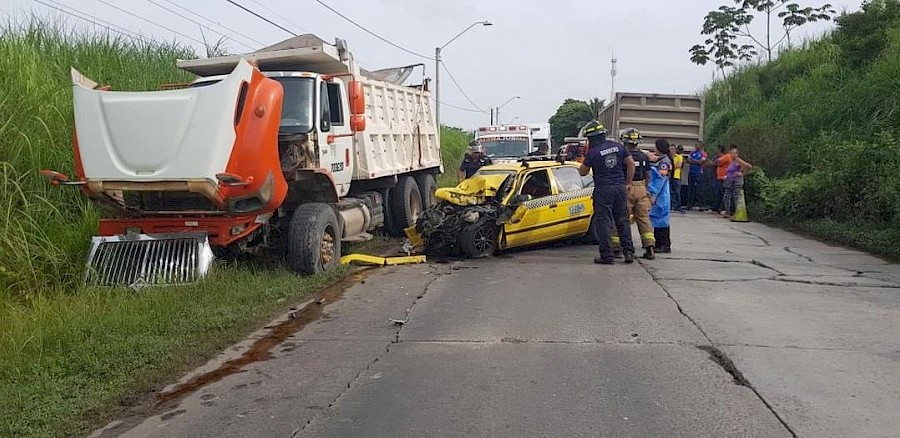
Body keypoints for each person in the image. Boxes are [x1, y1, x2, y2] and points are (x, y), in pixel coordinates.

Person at [578, 121, 636, 264]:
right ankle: (628, 252)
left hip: (603, 189)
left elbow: (583, 172)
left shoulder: (593, 152)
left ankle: (607, 255)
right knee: (622, 219)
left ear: (591, 138)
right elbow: (631, 164)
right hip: (620, 188)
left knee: (603, 222)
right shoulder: (618, 146)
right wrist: (628, 182)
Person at [611, 128, 656, 260]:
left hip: (626, 188)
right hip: (641, 188)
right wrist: (645, 188)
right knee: (644, 219)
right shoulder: (644, 156)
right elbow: (648, 175)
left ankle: (616, 248)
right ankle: (650, 247)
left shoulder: (622, 156)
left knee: (620, 218)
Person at [648, 139, 673, 253]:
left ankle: (664, 244)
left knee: (660, 219)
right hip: (660, 193)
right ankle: (660, 243)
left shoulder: (664, 163)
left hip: (660, 194)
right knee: (658, 219)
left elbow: (660, 180)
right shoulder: (662, 160)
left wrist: (653, 194)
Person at [720, 145, 753, 218]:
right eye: (731, 153)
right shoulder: (732, 161)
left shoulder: (738, 160)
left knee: (736, 197)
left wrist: (742, 174)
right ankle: (727, 212)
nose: (732, 155)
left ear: (737, 154)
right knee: (727, 196)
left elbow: (748, 166)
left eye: (734, 153)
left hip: (736, 180)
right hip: (729, 180)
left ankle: (736, 213)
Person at [711, 145, 732, 212]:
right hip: (719, 177)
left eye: (717, 149)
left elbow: (717, 163)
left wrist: (714, 162)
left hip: (723, 177)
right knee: (718, 193)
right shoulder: (720, 157)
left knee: (722, 193)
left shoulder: (727, 156)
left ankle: (722, 208)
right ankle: (716, 208)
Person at [686, 144, 708, 209]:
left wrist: (693, 161)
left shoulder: (703, 153)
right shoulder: (692, 153)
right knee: (690, 188)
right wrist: (696, 161)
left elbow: (701, 162)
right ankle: (689, 204)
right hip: (691, 172)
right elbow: (688, 160)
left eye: (698, 145)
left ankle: (701, 204)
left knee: (700, 188)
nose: (696, 146)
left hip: (699, 172)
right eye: (695, 145)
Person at [670, 144, 685, 214]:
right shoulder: (668, 157)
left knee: (677, 192)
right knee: (670, 192)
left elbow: (678, 166)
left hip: (676, 176)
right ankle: (671, 206)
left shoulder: (679, 157)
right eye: (670, 149)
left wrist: (671, 166)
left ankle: (678, 206)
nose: (671, 151)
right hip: (670, 176)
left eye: (673, 149)